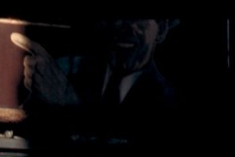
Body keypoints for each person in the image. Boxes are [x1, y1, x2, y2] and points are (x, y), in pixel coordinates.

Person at [15, 19, 178, 111]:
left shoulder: (170, 101)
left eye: (138, 19)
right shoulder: (64, 70)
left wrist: (69, 106)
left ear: (162, 30)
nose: (125, 27)